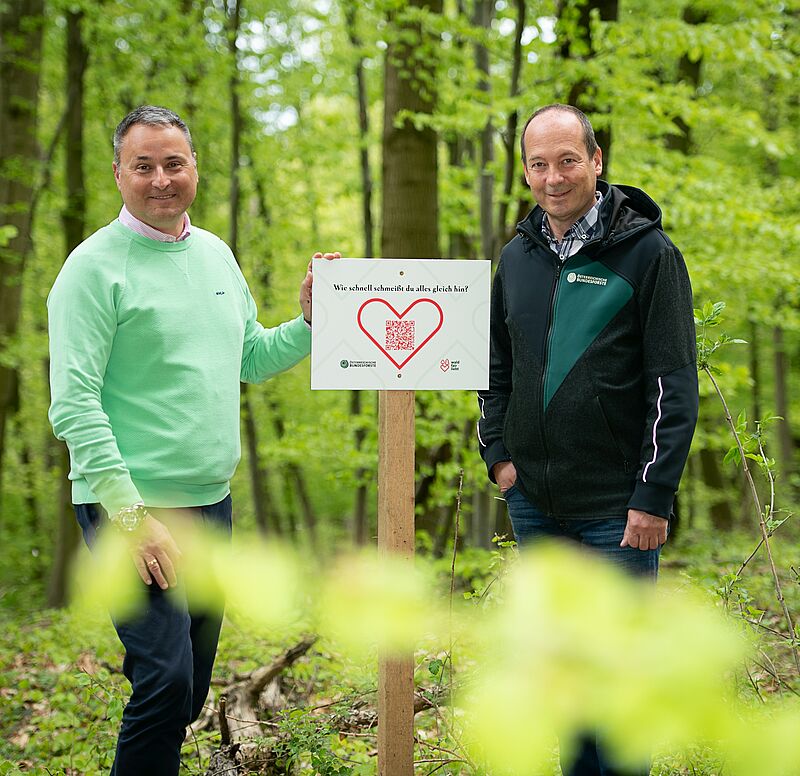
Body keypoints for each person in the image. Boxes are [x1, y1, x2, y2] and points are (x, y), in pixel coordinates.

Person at [47, 105, 337, 776]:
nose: (159, 179)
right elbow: (74, 402)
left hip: (211, 505)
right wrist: (130, 516)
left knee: (189, 688)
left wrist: (309, 320)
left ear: (194, 169)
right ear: (118, 173)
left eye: (173, 163)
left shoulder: (214, 253)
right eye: (142, 165)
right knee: (166, 679)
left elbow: (250, 357)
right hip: (130, 507)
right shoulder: (91, 270)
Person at [476, 104, 698, 775]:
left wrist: (653, 497)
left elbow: (673, 387)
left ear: (597, 161)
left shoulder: (649, 254)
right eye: (538, 164)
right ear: (524, 170)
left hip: (618, 511)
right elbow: (496, 366)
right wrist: (500, 458)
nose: (553, 177)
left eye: (567, 160)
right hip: (536, 505)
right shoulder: (516, 257)